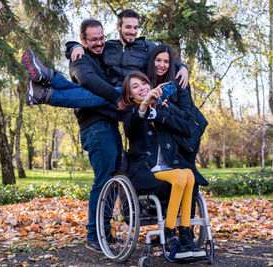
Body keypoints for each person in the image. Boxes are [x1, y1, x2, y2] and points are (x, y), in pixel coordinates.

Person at [22, 19, 123, 253]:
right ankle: (94, 235)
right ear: (83, 41)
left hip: (110, 124)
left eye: (101, 38)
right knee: (104, 180)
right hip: (96, 127)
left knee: (113, 181)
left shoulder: (103, 55)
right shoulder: (81, 59)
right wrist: (121, 96)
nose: (99, 43)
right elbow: (88, 81)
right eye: (93, 40)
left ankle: (45, 86)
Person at [120, 71, 206, 259]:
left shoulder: (163, 109)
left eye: (144, 84)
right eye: (135, 87)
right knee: (180, 176)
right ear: (130, 96)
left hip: (170, 167)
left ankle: (186, 234)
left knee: (189, 175)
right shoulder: (131, 113)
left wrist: (162, 112)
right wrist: (145, 105)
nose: (141, 88)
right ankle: (169, 235)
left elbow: (187, 129)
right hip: (147, 170)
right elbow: (130, 127)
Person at [69, 9, 189, 88]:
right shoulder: (108, 46)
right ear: (118, 27)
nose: (132, 32)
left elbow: (167, 59)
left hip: (136, 95)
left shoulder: (147, 47)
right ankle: (51, 86)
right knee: (75, 90)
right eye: (128, 27)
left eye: (135, 28)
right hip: (112, 94)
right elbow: (91, 47)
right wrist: (76, 46)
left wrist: (183, 67)